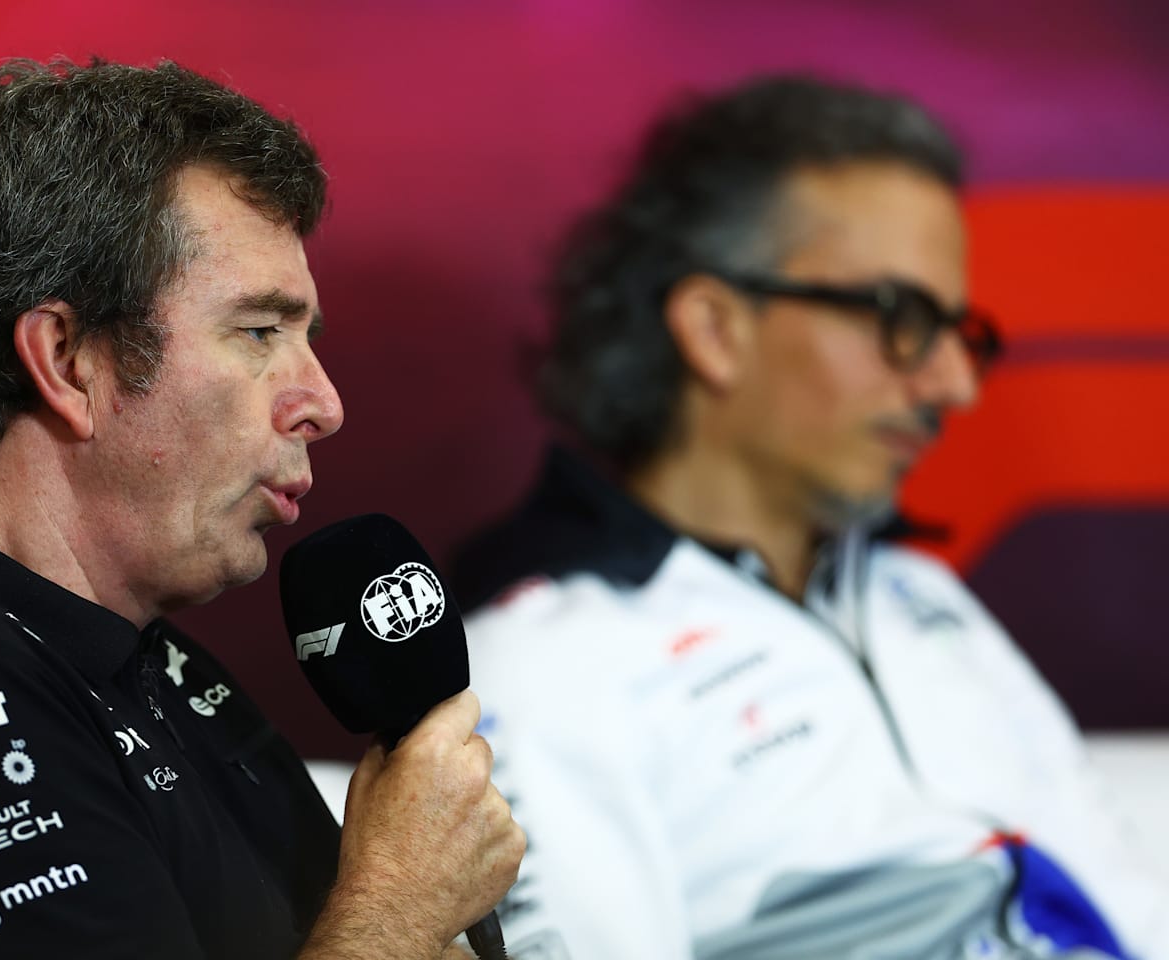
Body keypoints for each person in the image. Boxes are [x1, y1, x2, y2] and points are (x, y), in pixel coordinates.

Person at [0, 58, 522, 960]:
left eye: (308, 339)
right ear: (69, 362)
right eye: (260, 332)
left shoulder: (138, 659)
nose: (323, 402)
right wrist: (401, 905)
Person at [452, 75, 1169, 960]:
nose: (954, 384)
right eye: (898, 317)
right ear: (715, 329)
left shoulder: (921, 594)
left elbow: (1131, 911)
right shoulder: (537, 660)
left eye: (958, 330)